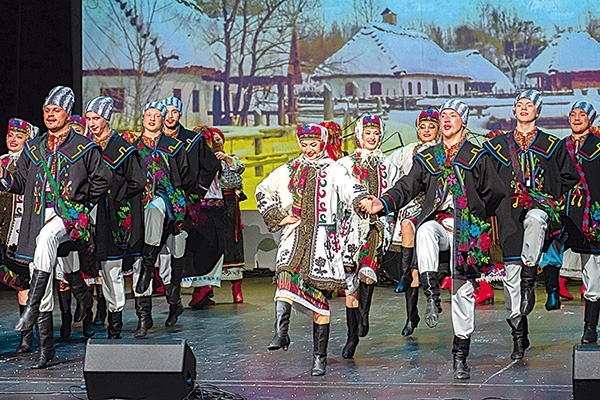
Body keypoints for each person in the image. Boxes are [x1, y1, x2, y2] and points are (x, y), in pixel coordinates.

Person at [362, 100, 506, 379]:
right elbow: (406, 186)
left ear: (462, 121)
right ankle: (430, 294)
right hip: (440, 226)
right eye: (444, 116)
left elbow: (495, 193)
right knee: (425, 230)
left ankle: (460, 355)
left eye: (453, 115)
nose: (447, 120)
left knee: (463, 293)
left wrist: (476, 220)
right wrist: (383, 203)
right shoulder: (429, 158)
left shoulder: (477, 156)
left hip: (467, 232)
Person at [1, 86, 111, 368]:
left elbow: (103, 178)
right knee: (44, 257)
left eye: (56, 110)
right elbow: (20, 183)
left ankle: (30, 309)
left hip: (68, 215)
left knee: (48, 236)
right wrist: (4, 179)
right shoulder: (33, 147)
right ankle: (46, 349)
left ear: (67, 113)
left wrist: (83, 203)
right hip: (37, 216)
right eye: (47, 110)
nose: (50, 115)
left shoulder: (83, 146)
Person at [255, 123, 368, 376]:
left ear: (322, 143)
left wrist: (362, 200)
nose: (308, 149)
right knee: (284, 276)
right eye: (304, 144)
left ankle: (320, 357)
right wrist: (277, 216)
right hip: (294, 235)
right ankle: (281, 333)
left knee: (319, 303)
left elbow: (350, 188)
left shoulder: (334, 169)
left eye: (313, 144)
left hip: (322, 241)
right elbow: (263, 189)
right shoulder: (291, 168)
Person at [483, 90, 579, 359]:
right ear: (514, 111)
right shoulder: (498, 146)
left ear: (538, 111)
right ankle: (518, 336)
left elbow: (569, 178)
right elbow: (485, 179)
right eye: (519, 105)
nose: (524, 108)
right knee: (510, 279)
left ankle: (530, 276)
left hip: (538, 209)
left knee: (536, 219)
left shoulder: (552, 144)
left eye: (529, 105)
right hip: (508, 215)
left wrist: (549, 196)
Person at [124, 101, 192, 338]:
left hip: (169, 203)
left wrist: (180, 202)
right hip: (138, 207)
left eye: (157, 115)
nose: (152, 119)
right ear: (142, 118)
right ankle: (144, 318)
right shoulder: (132, 147)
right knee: (139, 258)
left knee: (175, 257)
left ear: (163, 120)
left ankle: (174, 302)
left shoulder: (174, 146)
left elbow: (185, 177)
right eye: (148, 115)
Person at [337, 114, 401, 358]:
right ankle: (352, 336)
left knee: (369, 273)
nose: (372, 137)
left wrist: (390, 226)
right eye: (367, 133)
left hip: (377, 225)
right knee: (350, 283)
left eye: (375, 133)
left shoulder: (388, 164)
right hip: (350, 226)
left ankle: (364, 312)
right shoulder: (345, 164)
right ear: (359, 136)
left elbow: (394, 197)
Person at [84, 96, 146, 338]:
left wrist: (115, 191)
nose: (91, 123)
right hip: (89, 214)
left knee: (112, 270)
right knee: (99, 269)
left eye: (96, 118)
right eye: (88, 118)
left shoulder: (122, 149)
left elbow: (137, 182)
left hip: (113, 215)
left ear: (106, 118)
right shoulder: (85, 146)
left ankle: (115, 325)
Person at [387, 109, 440, 336]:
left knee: (419, 266)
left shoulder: (442, 152)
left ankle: (407, 277)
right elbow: (388, 172)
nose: (426, 131)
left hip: (433, 208)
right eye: (423, 127)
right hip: (411, 206)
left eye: (431, 127)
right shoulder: (406, 152)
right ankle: (410, 313)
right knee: (407, 226)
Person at [557, 102, 600, 343]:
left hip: (594, 214)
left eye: (582, 114)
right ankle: (590, 326)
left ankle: (591, 325)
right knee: (589, 270)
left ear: (590, 119)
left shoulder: (598, 146)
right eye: (573, 114)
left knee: (594, 270)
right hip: (569, 213)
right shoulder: (561, 147)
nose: (576, 118)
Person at [0, 118, 38, 353]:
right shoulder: (1, 162)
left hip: (20, 230)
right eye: (10, 135)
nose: (13, 139)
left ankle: (27, 335)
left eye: (19, 136)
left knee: (22, 280)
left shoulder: (32, 162)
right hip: (1, 230)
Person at [210, 128, 246, 303]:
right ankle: (205, 289)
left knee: (233, 245)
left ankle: (236, 289)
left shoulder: (229, 158)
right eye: (212, 140)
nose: (216, 143)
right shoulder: (203, 160)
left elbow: (240, 168)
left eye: (219, 139)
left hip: (229, 206)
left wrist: (226, 158)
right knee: (211, 246)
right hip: (209, 206)